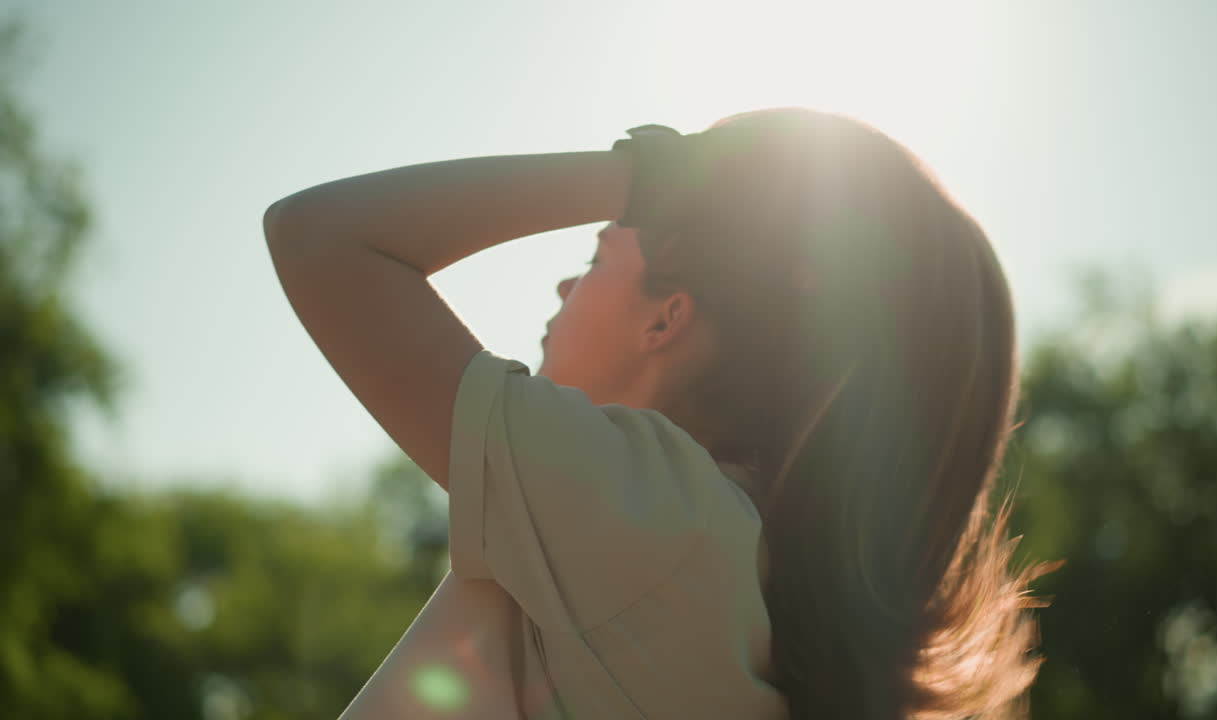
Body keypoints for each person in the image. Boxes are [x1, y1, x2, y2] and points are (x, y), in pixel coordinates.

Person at [263, 107, 1055, 719]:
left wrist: (646, 175)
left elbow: (319, 236)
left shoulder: (657, 524)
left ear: (666, 318)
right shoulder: (725, 559)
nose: (562, 290)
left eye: (597, 256)